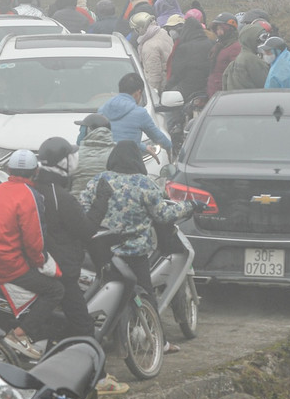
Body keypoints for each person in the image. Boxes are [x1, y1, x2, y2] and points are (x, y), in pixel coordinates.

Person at [77, 142, 195, 337]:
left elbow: (83, 209)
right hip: (134, 252)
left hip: (101, 251)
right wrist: (190, 206)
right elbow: (163, 215)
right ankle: (158, 341)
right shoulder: (144, 183)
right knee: (146, 294)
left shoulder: (99, 180)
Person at [0, 149, 63, 360]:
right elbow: (34, 239)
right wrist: (41, 262)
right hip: (5, 265)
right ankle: (20, 334)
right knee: (55, 290)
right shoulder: (30, 196)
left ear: (9, 170)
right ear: (35, 172)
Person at [34, 138, 96, 339]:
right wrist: (101, 202)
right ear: (63, 162)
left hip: (39, 262)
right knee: (82, 323)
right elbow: (85, 230)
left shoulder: (36, 188)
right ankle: (94, 368)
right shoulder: (60, 196)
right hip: (61, 267)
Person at [97, 72, 172, 156]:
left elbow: (115, 141)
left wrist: (143, 147)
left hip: (103, 161)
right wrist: (169, 148)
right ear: (138, 93)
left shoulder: (102, 110)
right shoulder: (139, 113)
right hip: (128, 162)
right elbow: (158, 138)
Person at [166, 16, 213, 98]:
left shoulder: (184, 47)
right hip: (208, 86)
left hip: (188, 88)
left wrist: (167, 89)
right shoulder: (211, 44)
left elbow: (177, 72)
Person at [71, 113, 115, 198]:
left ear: (89, 131)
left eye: (81, 130)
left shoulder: (75, 153)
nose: (79, 134)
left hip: (78, 203)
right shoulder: (117, 152)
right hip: (108, 204)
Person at [132, 12, 174, 94]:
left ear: (140, 28)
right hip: (171, 81)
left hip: (162, 88)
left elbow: (154, 76)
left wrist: (152, 95)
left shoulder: (149, 47)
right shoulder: (162, 32)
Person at [223, 23, 272, 91]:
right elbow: (267, 85)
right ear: (251, 39)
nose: (264, 42)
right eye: (261, 38)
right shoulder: (252, 60)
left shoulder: (240, 58)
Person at [205, 13, 242, 97]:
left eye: (221, 29)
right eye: (217, 29)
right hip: (213, 92)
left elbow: (236, 76)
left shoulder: (236, 47)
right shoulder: (219, 45)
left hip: (224, 95)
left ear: (230, 29)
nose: (219, 32)